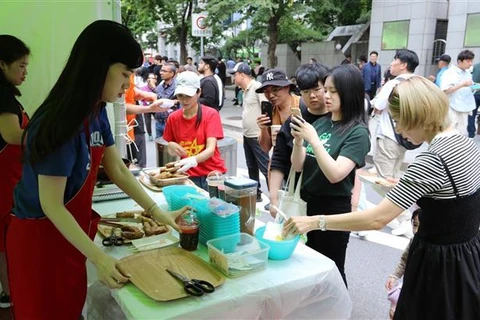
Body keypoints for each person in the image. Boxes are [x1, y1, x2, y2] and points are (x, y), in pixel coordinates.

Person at [5, 20, 189, 319]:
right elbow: (51, 204)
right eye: (125, 74)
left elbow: (116, 168)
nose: (128, 84)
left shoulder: (96, 110)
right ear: (99, 67)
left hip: (68, 234)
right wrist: (100, 258)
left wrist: (157, 212)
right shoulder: (59, 123)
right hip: (38, 240)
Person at [285, 76, 480, 319]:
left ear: (418, 115)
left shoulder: (432, 161)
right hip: (467, 256)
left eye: (398, 121)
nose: (398, 129)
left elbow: (376, 220)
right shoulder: (466, 143)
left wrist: (315, 222)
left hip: (437, 265)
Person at [289, 64, 371, 285]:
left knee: (331, 268)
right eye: (326, 89)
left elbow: (336, 174)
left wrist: (314, 140)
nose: (326, 95)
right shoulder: (323, 122)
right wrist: (298, 141)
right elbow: (298, 166)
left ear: (349, 92)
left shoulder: (358, 132)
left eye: (332, 91)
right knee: (307, 264)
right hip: (308, 203)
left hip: (333, 209)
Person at [269, 63, 330, 218]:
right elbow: (278, 160)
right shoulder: (294, 121)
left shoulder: (338, 120)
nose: (312, 96)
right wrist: (274, 199)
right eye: (306, 91)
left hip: (330, 204)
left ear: (327, 87)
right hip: (298, 198)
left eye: (317, 89)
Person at [0, 35, 30, 309]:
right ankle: (13, 297)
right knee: (6, 243)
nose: (25, 71)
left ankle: (9, 295)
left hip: (10, 179)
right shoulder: (2, 96)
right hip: (4, 183)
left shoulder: (7, 96)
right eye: (20, 65)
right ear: (2, 65)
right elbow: (11, 135)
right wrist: (45, 138)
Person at [163, 71, 227, 190]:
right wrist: (171, 146)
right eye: (180, 95)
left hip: (211, 175)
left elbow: (210, 150)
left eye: (188, 96)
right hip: (186, 175)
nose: (184, 100)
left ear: (199, 92)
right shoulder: (173, 118)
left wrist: (193, 160)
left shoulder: (210, 114)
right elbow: (172, 150)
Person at [228, 62, 269, 202]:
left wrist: (265, 131)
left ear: (242, 75)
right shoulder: (245, 90)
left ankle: (275, 198)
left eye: (235, 75)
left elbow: (267, 109)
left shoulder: (257, 87)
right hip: (247, 135)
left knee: (265, 167)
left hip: (258, 135)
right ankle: (255, 193)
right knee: (251, 166)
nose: (233, 78)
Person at [385, 208, 421, 319]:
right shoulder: (413, 241)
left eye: (421, 226)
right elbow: (404, 260)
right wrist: (394, 275)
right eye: (414, 225)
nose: (416, 230)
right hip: (409, 285)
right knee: (394, 311)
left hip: (423, 288)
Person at [440, 49, 475, 136]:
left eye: (471, 61)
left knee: (462, 132)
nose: (470, 63)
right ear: (460, 61)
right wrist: (462, 84)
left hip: (465, 106)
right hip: (453, 107)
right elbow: (445, 90)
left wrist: (474, 86)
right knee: (450, 132)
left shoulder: (467, 72)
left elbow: (469, 86)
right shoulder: (450, 73)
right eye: (468, 61)